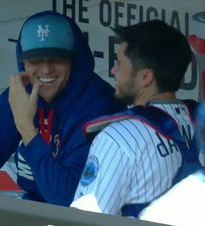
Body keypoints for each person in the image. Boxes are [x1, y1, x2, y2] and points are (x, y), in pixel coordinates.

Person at [0, 11, 124, 206]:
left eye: (56, 59)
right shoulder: (21, 93)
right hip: (34, 209)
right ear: (22, 62)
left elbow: (68, 201)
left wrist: (27, 129)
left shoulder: (99, 106)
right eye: (35, 60)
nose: (46, 70)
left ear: (73, 60)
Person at [71, 19, 201, 217]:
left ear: (145, 77)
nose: (113, 70)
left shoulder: (118, 137)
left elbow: (84, 221)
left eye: (119, 63)